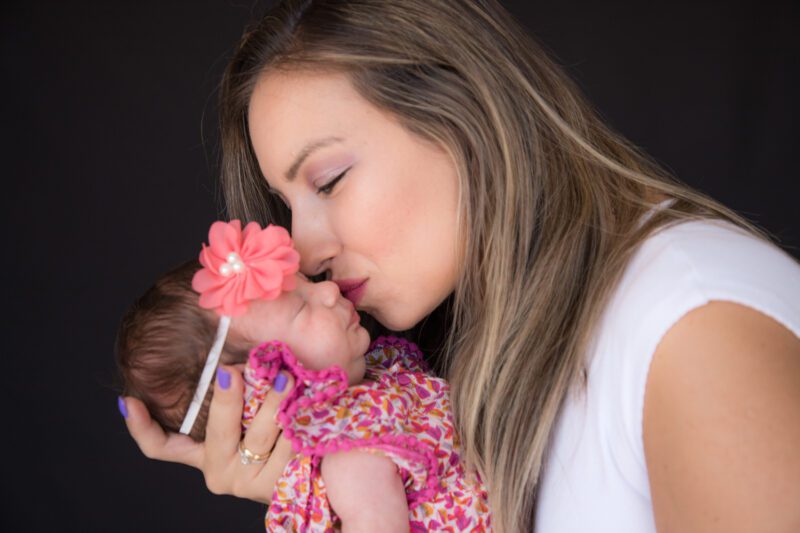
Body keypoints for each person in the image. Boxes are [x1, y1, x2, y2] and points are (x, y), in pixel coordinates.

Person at [119, 1, 800, 531]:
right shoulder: (503, 356)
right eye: (285, 205)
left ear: (458, 111)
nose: (301, 251)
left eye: (326, 182)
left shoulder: (696, 330)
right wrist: (330, 487)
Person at [116, 220, 490, 531]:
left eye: (307, 284)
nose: (328, 289)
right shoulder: (351, 457)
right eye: (300, 308)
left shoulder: (378, 394)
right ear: (265, 387)